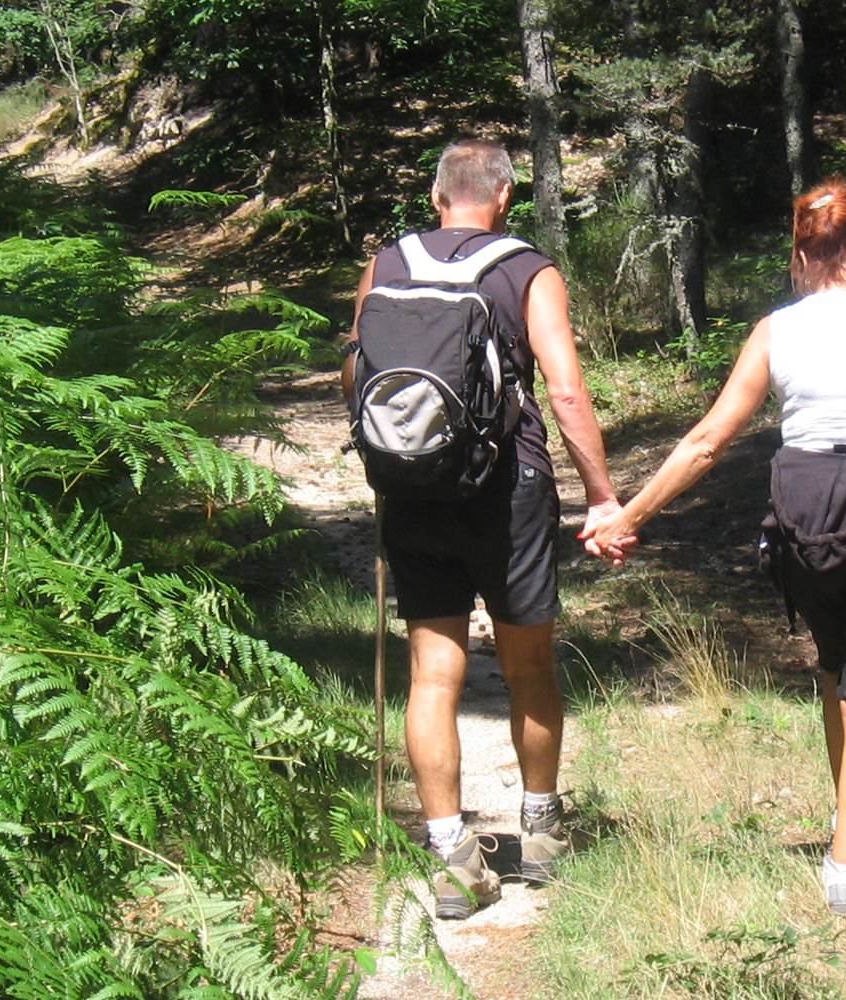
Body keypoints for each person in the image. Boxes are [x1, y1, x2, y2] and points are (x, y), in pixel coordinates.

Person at [582, 178, 846, 916]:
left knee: (837, 674)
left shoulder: (776, 331)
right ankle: (844, 869)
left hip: (803, 523)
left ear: (801, 258)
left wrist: (626, 515)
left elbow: (707, 441)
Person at [343, 139, 622, 919]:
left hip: (413, 486)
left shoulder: (387, 263)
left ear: (437, 197)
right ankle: (540, 834)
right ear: (503, 199)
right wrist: (600, 494)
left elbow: (354, 374)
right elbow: (564, 392)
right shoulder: (524, 267)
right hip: (508, 491)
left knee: (434, 675)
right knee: (528, 666)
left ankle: (451, 856)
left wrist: (395, 450)